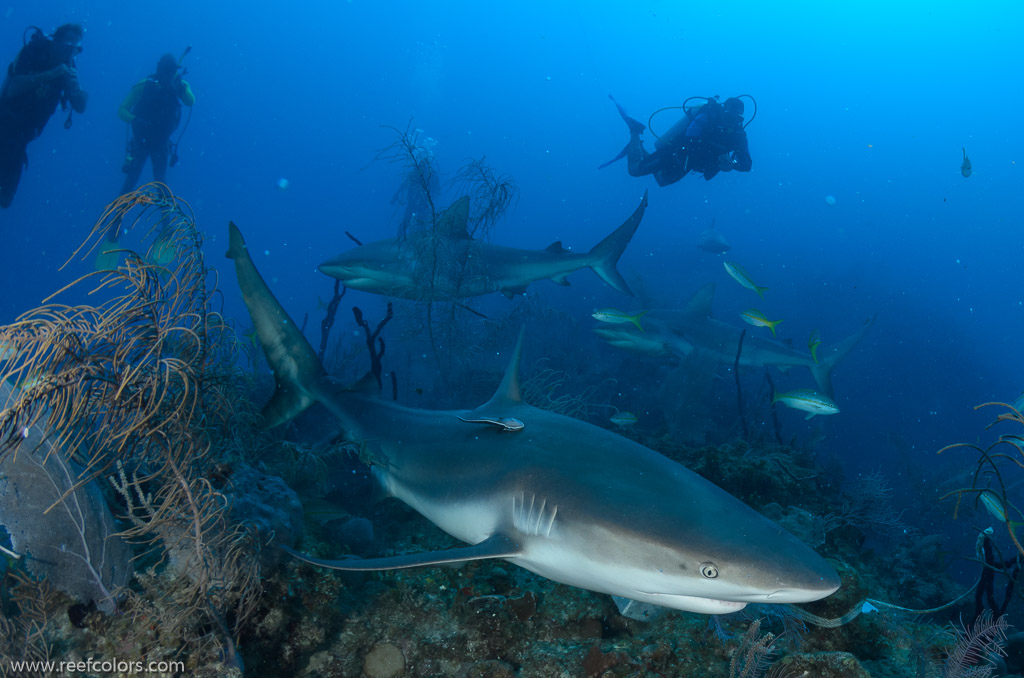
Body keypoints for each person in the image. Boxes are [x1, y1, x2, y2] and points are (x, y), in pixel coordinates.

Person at [0, 24, 88, 208]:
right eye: (67, 47)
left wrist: (75, 90)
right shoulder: (34, 52)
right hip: (5, 123)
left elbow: (80, 107)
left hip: (22, 138)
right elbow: (13, 89)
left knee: (5, 198)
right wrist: (51, 74)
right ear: (55, 42)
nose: (70, 54)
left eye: (75, 49)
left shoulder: (69, 67)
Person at [600, 95, 752, 187]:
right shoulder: (709, 115)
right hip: (676, 152)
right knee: (634, 170)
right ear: (723, 112)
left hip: (691, 163)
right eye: (728, 116)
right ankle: (635, 131)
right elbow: (691, 137)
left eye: (736, 118)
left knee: (661, 181)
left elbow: (747, 165)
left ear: (741, 119)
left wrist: (732, 165)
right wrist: (719, 152)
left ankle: (637, 147)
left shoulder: (739, 135)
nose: (731, 122)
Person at [118, 53, 194, 195]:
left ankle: (165, 217)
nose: (167, 76)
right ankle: (116, 216)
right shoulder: (145, 85)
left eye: (170, 71)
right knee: (131, 182)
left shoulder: (180, 86)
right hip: (141, 141)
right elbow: (122, 110)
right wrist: (135, 120)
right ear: (159, 70)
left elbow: (190, 102)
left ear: (175, 71)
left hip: (161, 143)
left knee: (160, 184)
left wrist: (183, 88)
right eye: (165, 71)